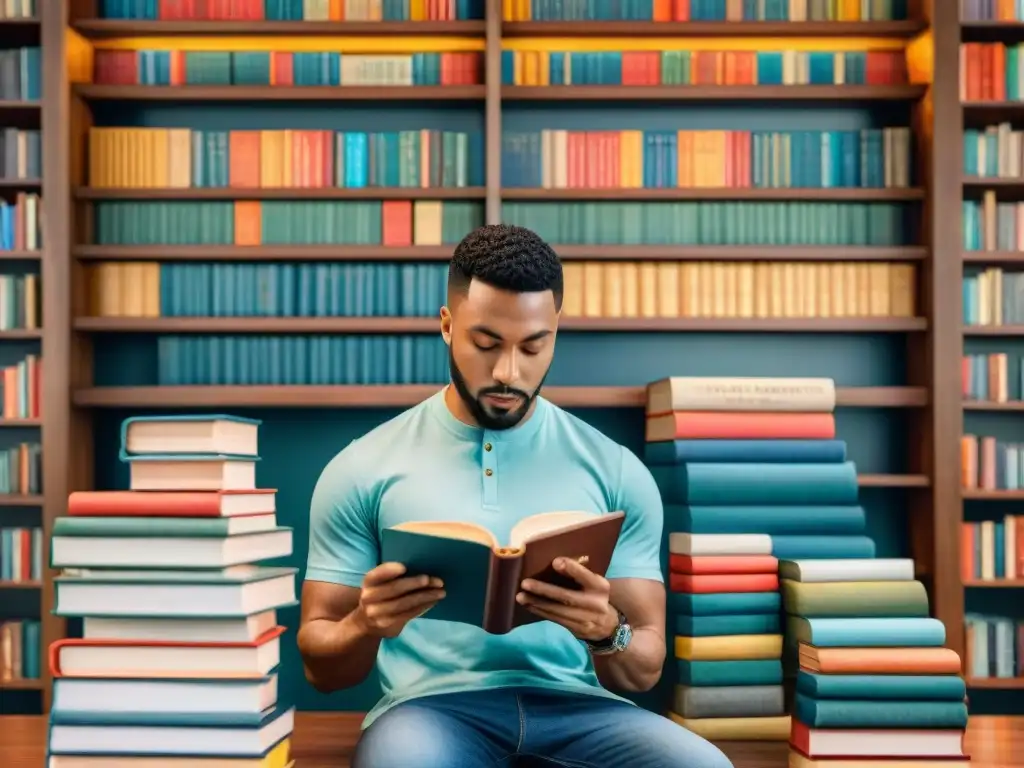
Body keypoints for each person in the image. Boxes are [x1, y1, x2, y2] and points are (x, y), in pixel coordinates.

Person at [297, 224, 734, 768]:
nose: (508, 372)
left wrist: (604, 631)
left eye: (533, 346)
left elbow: (643, 668)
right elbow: (322, 669)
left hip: (582, 711)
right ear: (446, 325)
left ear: (555, 331)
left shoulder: (617, 471)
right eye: (485, 344)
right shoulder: (361, 468)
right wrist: (366, 624)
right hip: (428, 712)